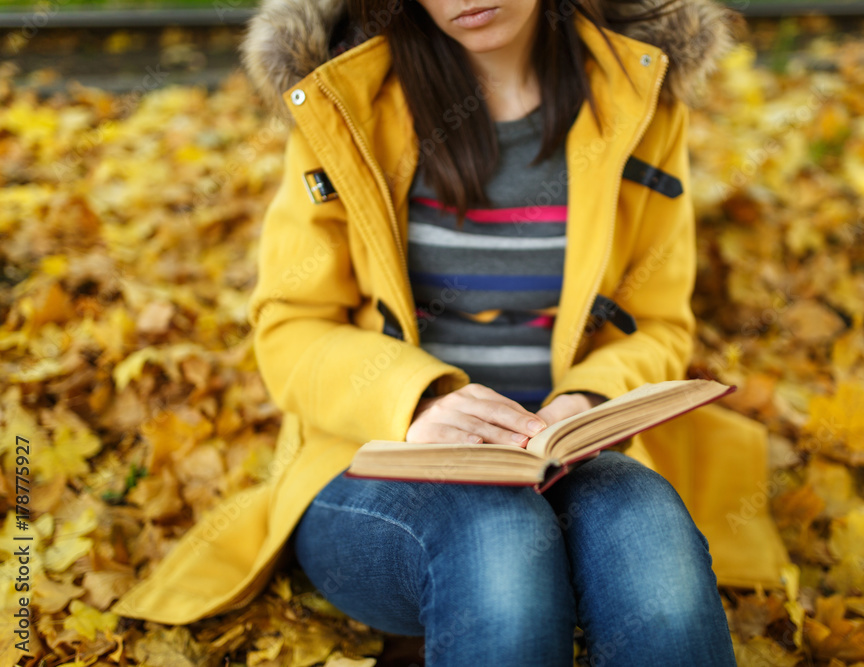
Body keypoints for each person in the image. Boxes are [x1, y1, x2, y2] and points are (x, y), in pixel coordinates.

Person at [113, 0, 787, 664]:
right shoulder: (344, 97)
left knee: (650, 538)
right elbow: (292, 326)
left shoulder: (638, 93)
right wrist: (416, 403)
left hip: (573, 456)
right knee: (499, 537)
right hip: (371, 462)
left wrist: (588, 402)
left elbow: (660, 322)